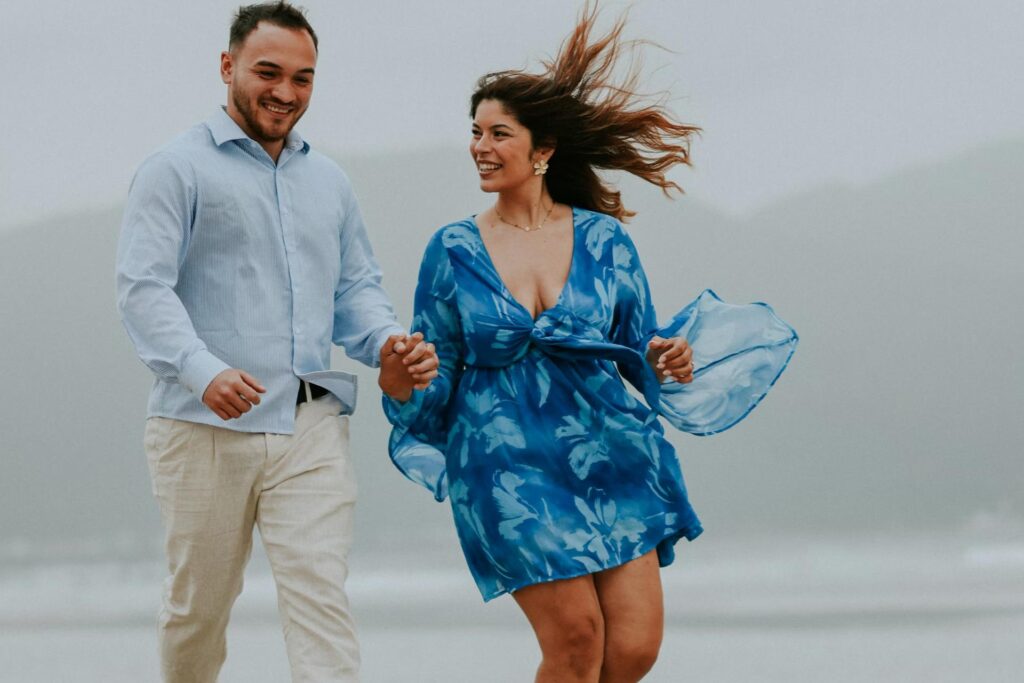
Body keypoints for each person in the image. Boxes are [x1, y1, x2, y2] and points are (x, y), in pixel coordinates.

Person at [384, 4, 797, 682]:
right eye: (475, 132)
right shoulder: (452, 249)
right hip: (506, 467)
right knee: (576, 643)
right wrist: (400, 380)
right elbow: (435, 382)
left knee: (631, 650)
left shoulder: (605, 240)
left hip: (610, 454)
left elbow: (646, 347)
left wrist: (672, 357)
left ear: (542, 150)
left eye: (498, 133)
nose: (480, 146)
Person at [115, 3, 438, 681]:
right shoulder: (173, 169)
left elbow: (356, 290)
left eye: (303, 78)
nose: (286, 92)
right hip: (198, 424)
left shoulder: (330, 182)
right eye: (268, 72)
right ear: (228, 66)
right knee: (196, 613)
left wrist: (386, 342)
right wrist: (204, 370)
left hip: (309, 421)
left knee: (322, 598)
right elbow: (143, 290)